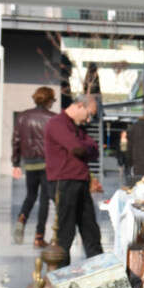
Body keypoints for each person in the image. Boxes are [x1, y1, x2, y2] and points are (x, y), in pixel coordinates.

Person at [44, 94, 103, 266]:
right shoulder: (57, 123)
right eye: (89, 114)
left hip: (80, 181)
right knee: (66, 231)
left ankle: (99, 269)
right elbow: (77, 148)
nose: (88, 119)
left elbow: (94, 149)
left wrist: (85, 148)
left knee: (90, 229)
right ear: (79, 106)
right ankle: (62, 272)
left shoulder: (76, 127)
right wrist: (85, 147)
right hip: (64, 182)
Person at [12, 87, 57, 247]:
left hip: (30, 162)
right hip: (47, 163)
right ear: (48, 100)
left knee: (30, 195)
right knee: (45, 199)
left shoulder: (22, 117)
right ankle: (39, 237)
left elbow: (16, 140)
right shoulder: (53, 118)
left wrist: (16, 163)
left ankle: (21, 218)